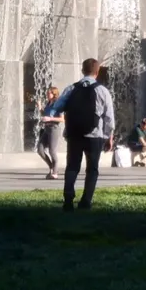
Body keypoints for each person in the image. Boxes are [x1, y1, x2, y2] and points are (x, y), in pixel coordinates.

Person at [46, 58, 116, 211]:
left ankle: (68, 199)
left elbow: (57, 107)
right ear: (97, 72)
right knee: (92, 169)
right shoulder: (103, 91)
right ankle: (85, 201)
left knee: (72, 167)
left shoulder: (71, 89)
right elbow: (109, 118)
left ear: (83, 70)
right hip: (95, 135)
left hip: (74, 134)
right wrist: (108, 136)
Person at [34, 86, 63, 180]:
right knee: (40, 149)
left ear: (54, 94)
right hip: (46, 129)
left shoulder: (58, 104)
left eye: (48, 93)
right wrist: (40, 107)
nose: (47, 95)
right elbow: (45, 115)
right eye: (47, 93)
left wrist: (50, 118)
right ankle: (52, 167)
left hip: (54, 129)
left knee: (52, 151)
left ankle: (55, 172)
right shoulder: (48, 103)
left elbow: (62, 119)